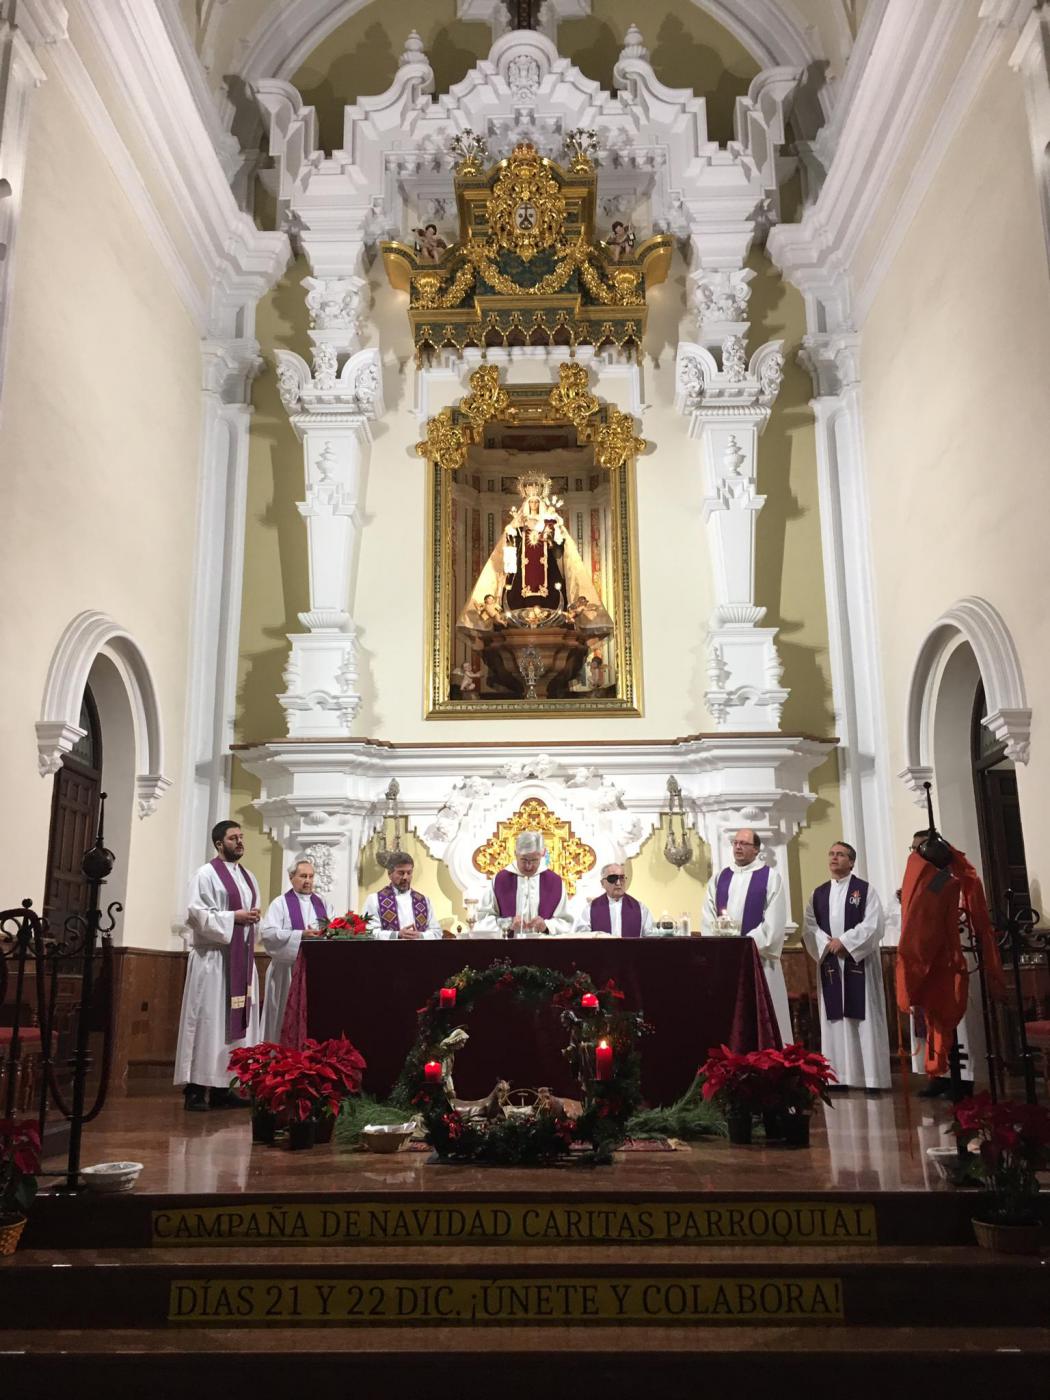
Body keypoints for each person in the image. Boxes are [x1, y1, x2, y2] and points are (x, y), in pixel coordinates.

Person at [174, 820, 261, 1111]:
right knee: (207, 1022)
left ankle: (225, 1087)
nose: (240, 842)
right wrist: (233, 917)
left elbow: (250, 913)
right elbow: (195, 914)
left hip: (240, 959)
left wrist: (252, 917)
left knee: (229, 1027)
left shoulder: (248, 877)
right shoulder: (205, 874)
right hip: (213, 960)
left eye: (241, 836)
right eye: (233, 838)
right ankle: (195, 1089)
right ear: (219, 843)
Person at [458, 474, 612, 632]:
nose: (533, 505)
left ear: (540, 503)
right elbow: (510, 543)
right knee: (515, 592)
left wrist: (552, 535)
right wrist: (512, 532)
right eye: (531, 502)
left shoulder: (548, 521)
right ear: (527, 504)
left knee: (553, 590)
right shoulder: (520, 522)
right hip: (523, 570)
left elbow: (559, 546)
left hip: (546, 568)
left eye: (536, 502)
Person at [802, 841, 890, 1090]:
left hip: (858, 962)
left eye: (840, 855)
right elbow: (809, 926)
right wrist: (827, 944)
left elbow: (874, 924)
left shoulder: (865, 891)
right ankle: (838, 1076)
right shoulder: (818, 894)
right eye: (831, 854)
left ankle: (871, 1078)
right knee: (835, 1019)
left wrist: (846, 942)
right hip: (831, 962)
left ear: (851, 862)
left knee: (863, 1017)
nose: (834, 858)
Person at [701, 828, 791, 1043]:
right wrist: (722, 944)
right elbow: (708, 916)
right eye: (735, 843)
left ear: (757, 849)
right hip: (727, 960)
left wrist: (745, 944)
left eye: (744, 843)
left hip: (759, 958)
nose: (738, 847)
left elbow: (774, 920)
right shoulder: (720, 878)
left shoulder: (770, 877)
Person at [258, 859, 331, 1043]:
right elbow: (268, 934)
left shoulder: (322, 903)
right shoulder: (280, 903)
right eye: (303, 876)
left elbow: (332, 929)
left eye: (311, 876)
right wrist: (300, 935)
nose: (308, 881)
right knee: (283, 1015)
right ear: (291, 877)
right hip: (286, 972)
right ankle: (279, 1055)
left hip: (315, 970)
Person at [473, 831, 573, 937]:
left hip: (545, 945)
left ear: (542, 854)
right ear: (515, 853)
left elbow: (566, 922)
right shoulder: (500, 880)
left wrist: (547, 926)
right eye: (524, 860)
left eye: (534, 860)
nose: (529, 866)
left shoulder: (554, 882)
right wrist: (508, 923)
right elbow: (482, 920)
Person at [364, 853, 442, 939]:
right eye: (401, 873)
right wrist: (397, 935)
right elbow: (369, 933)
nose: (405, 877)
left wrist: (420, 935)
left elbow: (437, 933)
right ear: (389, 874)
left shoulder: (424, 901)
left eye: (409, 873)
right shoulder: (375, 900)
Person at [574, 863, 654, 937]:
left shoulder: (640, 908)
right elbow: (582, 936)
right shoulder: (590, 909)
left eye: (622, 878)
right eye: (612, 878)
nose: (618, 883)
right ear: (602, 883)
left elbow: (650, 937)